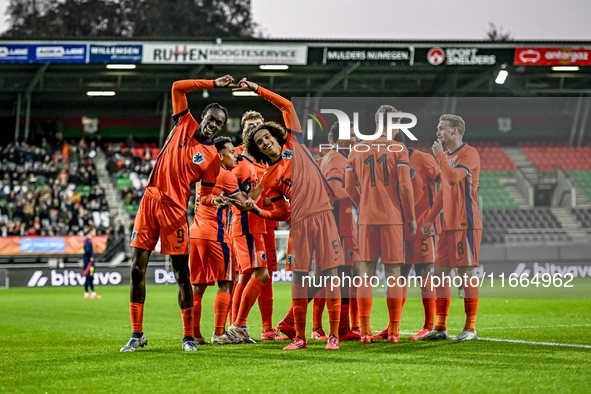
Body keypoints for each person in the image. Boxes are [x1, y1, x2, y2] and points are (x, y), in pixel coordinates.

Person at [120, 75, 234, 352]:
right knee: (137, 268)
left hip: (175, 211)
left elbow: (205, 194)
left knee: (182, 273)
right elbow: (176, 87)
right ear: (204, 114)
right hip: (149, 201)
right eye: (212, 118)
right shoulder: (183, 121)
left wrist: (219, 200)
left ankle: (187, 337)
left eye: (220, 124)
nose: (214, 125)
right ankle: (137, 334)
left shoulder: (212, 160)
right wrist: (214, 84)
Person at [237, 79, 343, 350]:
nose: (266, 143)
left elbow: (286, 105)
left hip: (324, 216)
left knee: (331, 276)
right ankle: (299, 337)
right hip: (299, 225)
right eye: (260, 143)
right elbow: (282, 212)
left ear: (275, 135)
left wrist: (257, 89)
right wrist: (260, 209)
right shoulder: (269, 178)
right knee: (299, 280)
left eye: (267, 138)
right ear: (258, 149)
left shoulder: (293, 142)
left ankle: (333, 336)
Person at [345, 105, 417, 344]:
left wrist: (362, 204)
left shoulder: (357, 149)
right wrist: (411, 218)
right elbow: (406, 187)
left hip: (366, 219)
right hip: (392, 218)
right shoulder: (399, 148)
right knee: (394, 275)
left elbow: (348, 188)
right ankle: (394, 332)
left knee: (365, 275)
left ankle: (365, 332)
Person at [421, 114, 482, 341]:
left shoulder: (469, 153)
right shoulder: (447, 156)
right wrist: (429, 219)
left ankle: (471, 328)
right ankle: (441, 327)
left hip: (466, 223)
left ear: (455, 130)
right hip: (448, 226)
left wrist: (438, 157)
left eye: (442, 128)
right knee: (439, 275)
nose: (438, 133)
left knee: (465, 273)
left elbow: (455, 177)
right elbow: (442, 193)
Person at [373, 144, 441, 341]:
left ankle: (429, 326)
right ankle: (392, 327)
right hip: (398, 229)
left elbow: (444, 182)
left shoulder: (422, 158)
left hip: (422, 227)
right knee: (398, 277)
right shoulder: (387, 163)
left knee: (424, 275)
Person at [190, 136, 246, 345]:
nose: (236, 156)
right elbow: (245, 205)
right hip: (216, 234)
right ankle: (219, 333)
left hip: (195, 233)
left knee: (198, 287)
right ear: (220, 156)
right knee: (227, 283)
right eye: (232, 152)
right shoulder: (226, 174)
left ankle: (195, 334)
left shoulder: (204, 173)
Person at [240, 110, 288, 341]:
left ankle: (267, 328)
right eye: (250, 126)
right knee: (247, 275)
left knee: (265, 275)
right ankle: (234, 326)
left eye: (259, 126)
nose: (255, 129)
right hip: (246, 224)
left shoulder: (268, 161)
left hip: (266, 223)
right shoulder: (239, 158)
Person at [314, 122, 362, 341]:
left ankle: (342, 328)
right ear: (341, 138)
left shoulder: (334, 158)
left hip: (335, 223)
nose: (356, 138)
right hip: (337, 225)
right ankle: (289, 322)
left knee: (340, 278)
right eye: (352, 134)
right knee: (333, 278)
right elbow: (336, 190)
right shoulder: (336, 159)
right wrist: (364, 197)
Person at [83, 228, 100, 299]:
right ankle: (86, 293)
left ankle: (93, 292)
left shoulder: (89, 240)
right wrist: (90, 256)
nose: (95, 232)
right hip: (88, 262)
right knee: (88, 276)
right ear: (90, 232)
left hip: (90, 261)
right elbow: (87, 250)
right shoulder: (87, 240)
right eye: (94, 231)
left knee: (91, 277)